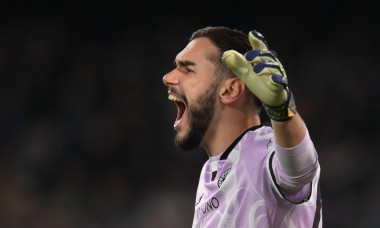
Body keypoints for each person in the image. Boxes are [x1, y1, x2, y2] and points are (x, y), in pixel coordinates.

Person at [163, 26, 322, 228]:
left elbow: (300, 169)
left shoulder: (262, 151)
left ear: (230, 90)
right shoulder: (210, 171)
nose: (168, 77)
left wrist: (281, 111)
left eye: (188, 69)